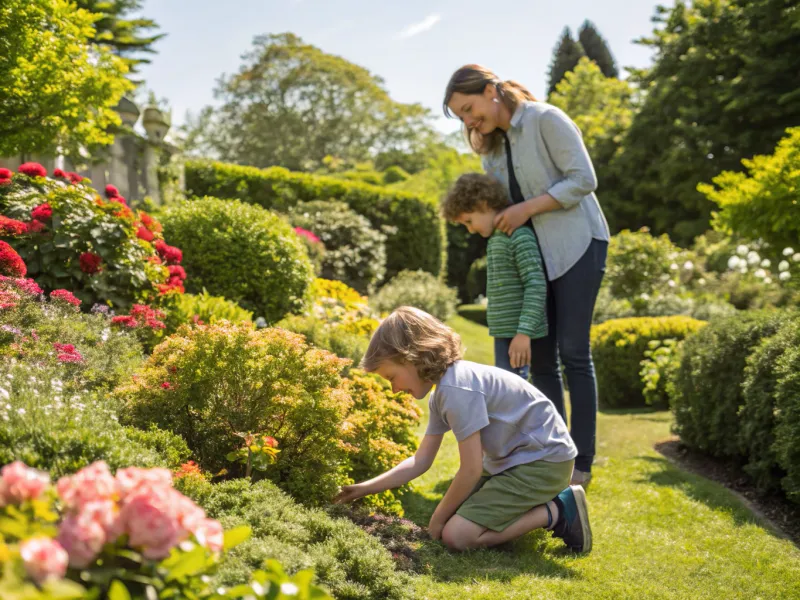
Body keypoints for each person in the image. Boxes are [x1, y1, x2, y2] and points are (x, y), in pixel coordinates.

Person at [443, 64, 610, 487]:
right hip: (534, 257)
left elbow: (583, 180)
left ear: (489, 91)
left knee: (573, 353)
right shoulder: (491, 149)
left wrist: (526, 209)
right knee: (541, 361)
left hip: (577, 246)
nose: (468, 121)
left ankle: (583, 463)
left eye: (468, 108)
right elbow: (496, 204)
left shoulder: (545, 119)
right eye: (460, 116)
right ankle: (554, 454)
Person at [334, 306, 592, 553]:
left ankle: (558, 510)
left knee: (456, 536)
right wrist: (365, 488)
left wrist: (435, 522)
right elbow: (420, 461)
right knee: (453, 520)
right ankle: (538, 504)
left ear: (411, 356)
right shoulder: (444, 391)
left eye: (391, 377)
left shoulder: (457, 390)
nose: (394, 389)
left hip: (543, 463)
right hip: (522, 461)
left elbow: (470, 469)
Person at [441, 172, 546, 379]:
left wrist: (524, 333)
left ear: (484, 204)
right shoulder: (496, 239)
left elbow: (536, 285)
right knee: (506, 392)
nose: (470, 230)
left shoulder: (519, 236)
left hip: (521, 336)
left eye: (469, 221)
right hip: (504, 333)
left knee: (517, 396)